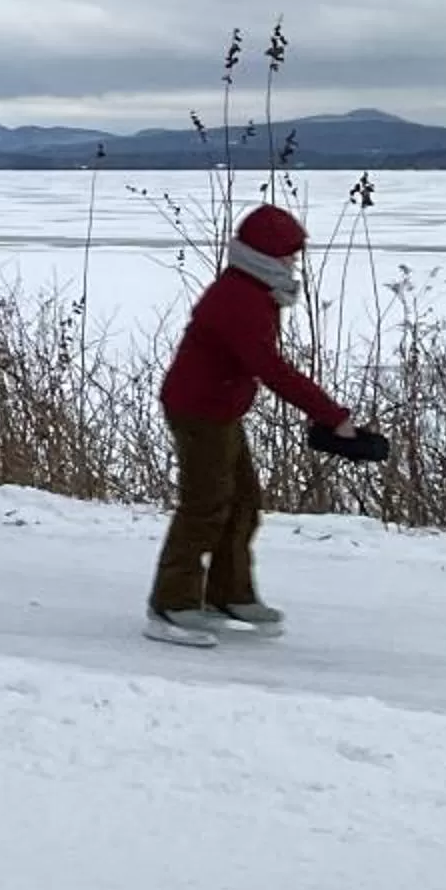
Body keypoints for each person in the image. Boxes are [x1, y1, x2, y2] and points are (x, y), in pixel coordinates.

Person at [143, 204, 366, 649]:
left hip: (220, 408)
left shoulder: (256, 289)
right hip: (198, 410)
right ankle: (170, 602)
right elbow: (271, 369)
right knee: (205, 505)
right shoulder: (240, 298)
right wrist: (333, 416)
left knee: (243, 501)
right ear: (265, 254)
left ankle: (228, 593)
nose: (293, 262)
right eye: (288, 253)